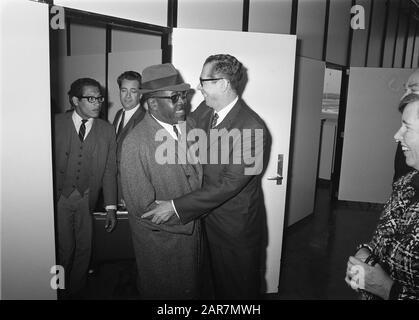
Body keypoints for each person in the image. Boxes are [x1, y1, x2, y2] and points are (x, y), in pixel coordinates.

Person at [142, 54, 267, 299]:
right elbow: (183, 129)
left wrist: (176, 207)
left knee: (238, 293)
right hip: (205, 223)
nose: (199, 87)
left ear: (223, 83)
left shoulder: (253, 129)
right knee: (210, 288)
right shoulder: (205, 110)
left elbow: (228, 185)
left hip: (235, 232)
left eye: (204, 81)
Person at [120, 63, 203, 299]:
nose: (182, 102)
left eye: (184, 95)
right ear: (153, 103)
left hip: (192, 240)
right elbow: (142, 209)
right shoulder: (135, 143)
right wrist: (193, 212)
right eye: (174, 97)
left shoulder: (190, 128)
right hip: (163, 245)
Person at [345, 93, 419, 300]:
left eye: (407, 127)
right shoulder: (406, 183)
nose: (397, 135)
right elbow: (383, 240)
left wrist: (387, 290)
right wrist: (364, 254)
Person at [53, 78, 117, 299]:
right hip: (59, 199)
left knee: (84, 250)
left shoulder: (107, 131)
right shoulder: (54, 124)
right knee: (63, 251)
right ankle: (56, 290)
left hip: (87, 198)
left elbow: (109, 170)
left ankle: (76, 292)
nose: (97, 103)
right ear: (75, 100)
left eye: (99, 98)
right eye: (91, 98)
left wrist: (110, 207)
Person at [113, 71, 146, 209]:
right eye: (123, 90)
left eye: (133, 91)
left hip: (132, 189)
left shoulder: (145, 119)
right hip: (115, 185)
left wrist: (132, 194)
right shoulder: (118, 114)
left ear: (141, 94)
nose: (127, 96)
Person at [393, 69, 419, 182]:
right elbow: (399, 177)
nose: (403, 97)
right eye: (405, 90)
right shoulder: (405, 140)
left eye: (413, 89)